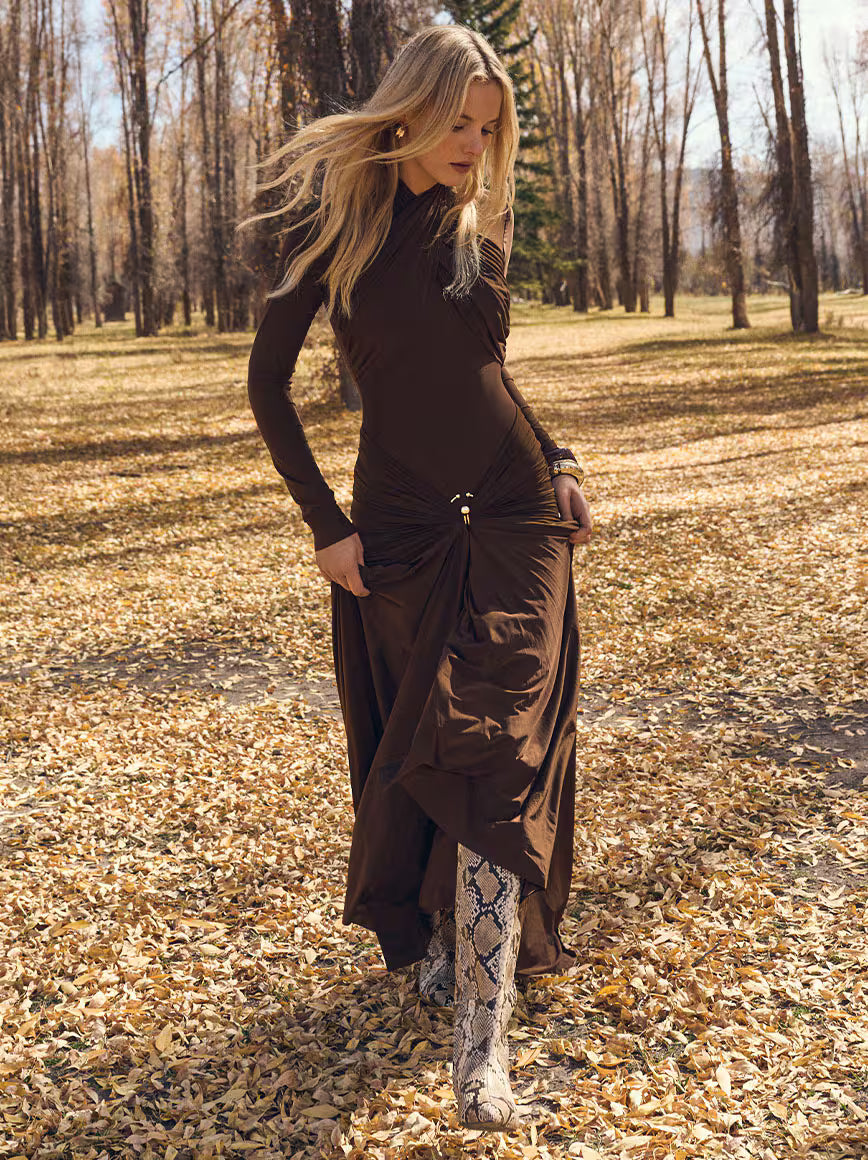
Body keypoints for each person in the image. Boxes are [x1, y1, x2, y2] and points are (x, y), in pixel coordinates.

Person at [244, 24, 592, 1132]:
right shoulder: (335, 221)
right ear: (409, 108)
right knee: (429, 744)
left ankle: (481, 1047)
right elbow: (267, 386)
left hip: (519, 515)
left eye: (488, 128)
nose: (473, 144)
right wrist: (324, 525)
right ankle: (442, 935)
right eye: (458, 122)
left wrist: (562, 456)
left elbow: (491, 374)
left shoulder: (476, 226)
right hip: (397, 527)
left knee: (495, 759)